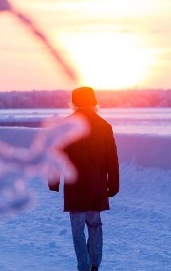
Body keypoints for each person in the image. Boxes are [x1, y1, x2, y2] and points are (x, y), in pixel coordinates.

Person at [48, 87, 119, 271]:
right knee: (95, 224)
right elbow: (112, 159)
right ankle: (95, 265)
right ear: (94, 102)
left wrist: (54, 180)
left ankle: (84, 266)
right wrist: (114, 184)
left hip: (75, 185)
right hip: (96, 185)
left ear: (74, 103)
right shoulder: (104, 126)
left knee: (77, 229)